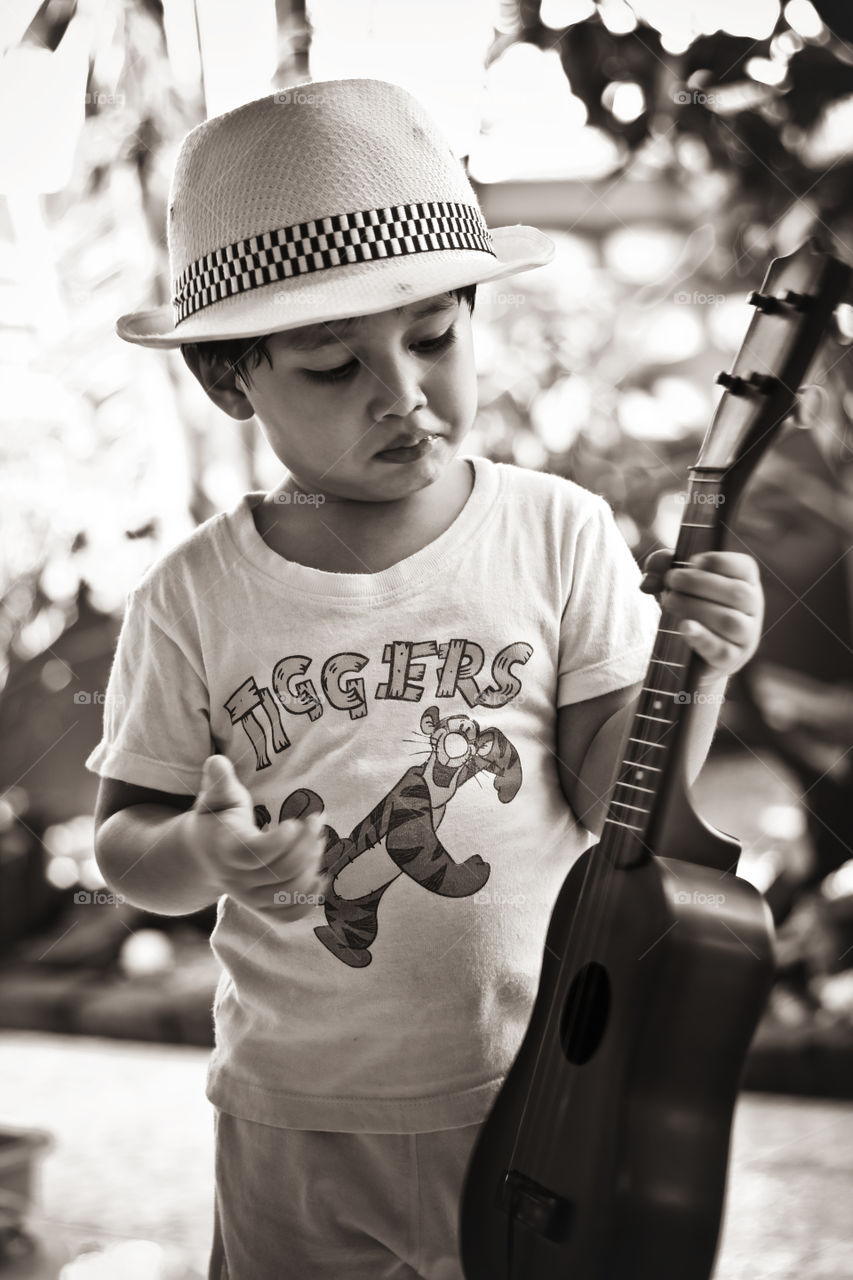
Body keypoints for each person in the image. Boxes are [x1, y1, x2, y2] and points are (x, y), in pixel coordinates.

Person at [86, 79, 764, 1280]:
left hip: (534, 1093)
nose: (402, 394)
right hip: (295, 1115)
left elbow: (623, 801)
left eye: (436, 340)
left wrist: (694, 672)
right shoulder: (191, 596)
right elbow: (125, 840)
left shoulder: (555, 531)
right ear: (231, 383)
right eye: (334, 365)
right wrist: (201, 854)